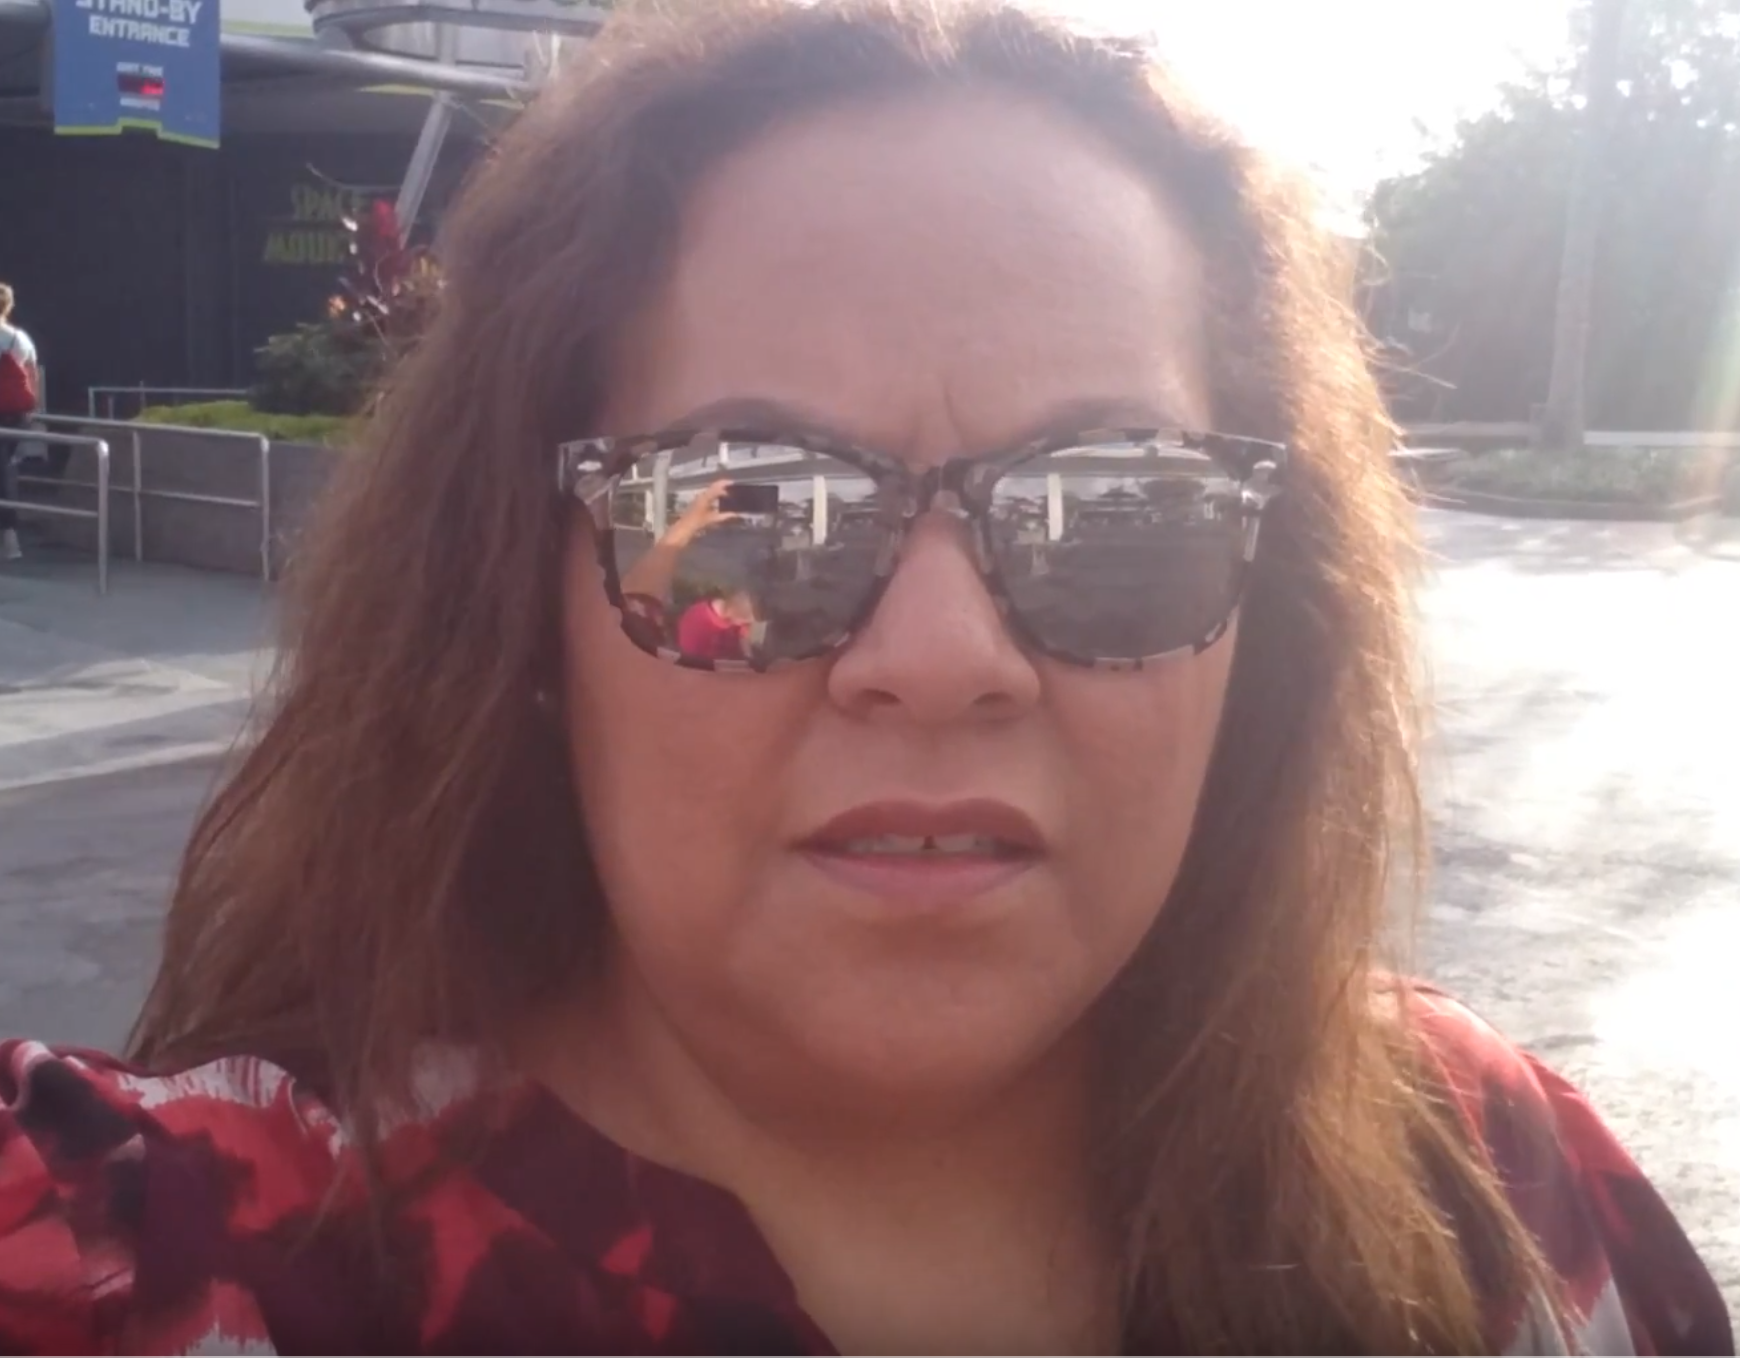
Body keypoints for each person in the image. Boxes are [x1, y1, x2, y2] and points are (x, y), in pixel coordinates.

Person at [0, 2, 1731, 1353]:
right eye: (745, 514)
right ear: (521, 611)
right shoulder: (157, 1257)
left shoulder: (1499, 1191)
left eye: (1114, 513)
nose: (944, 660)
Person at [0, 282, 41, 562]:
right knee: (6, 468)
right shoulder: (20, 338)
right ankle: (10, 537)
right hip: (17, 415)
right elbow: (32, 375)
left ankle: (9, 534)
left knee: (3, 471)